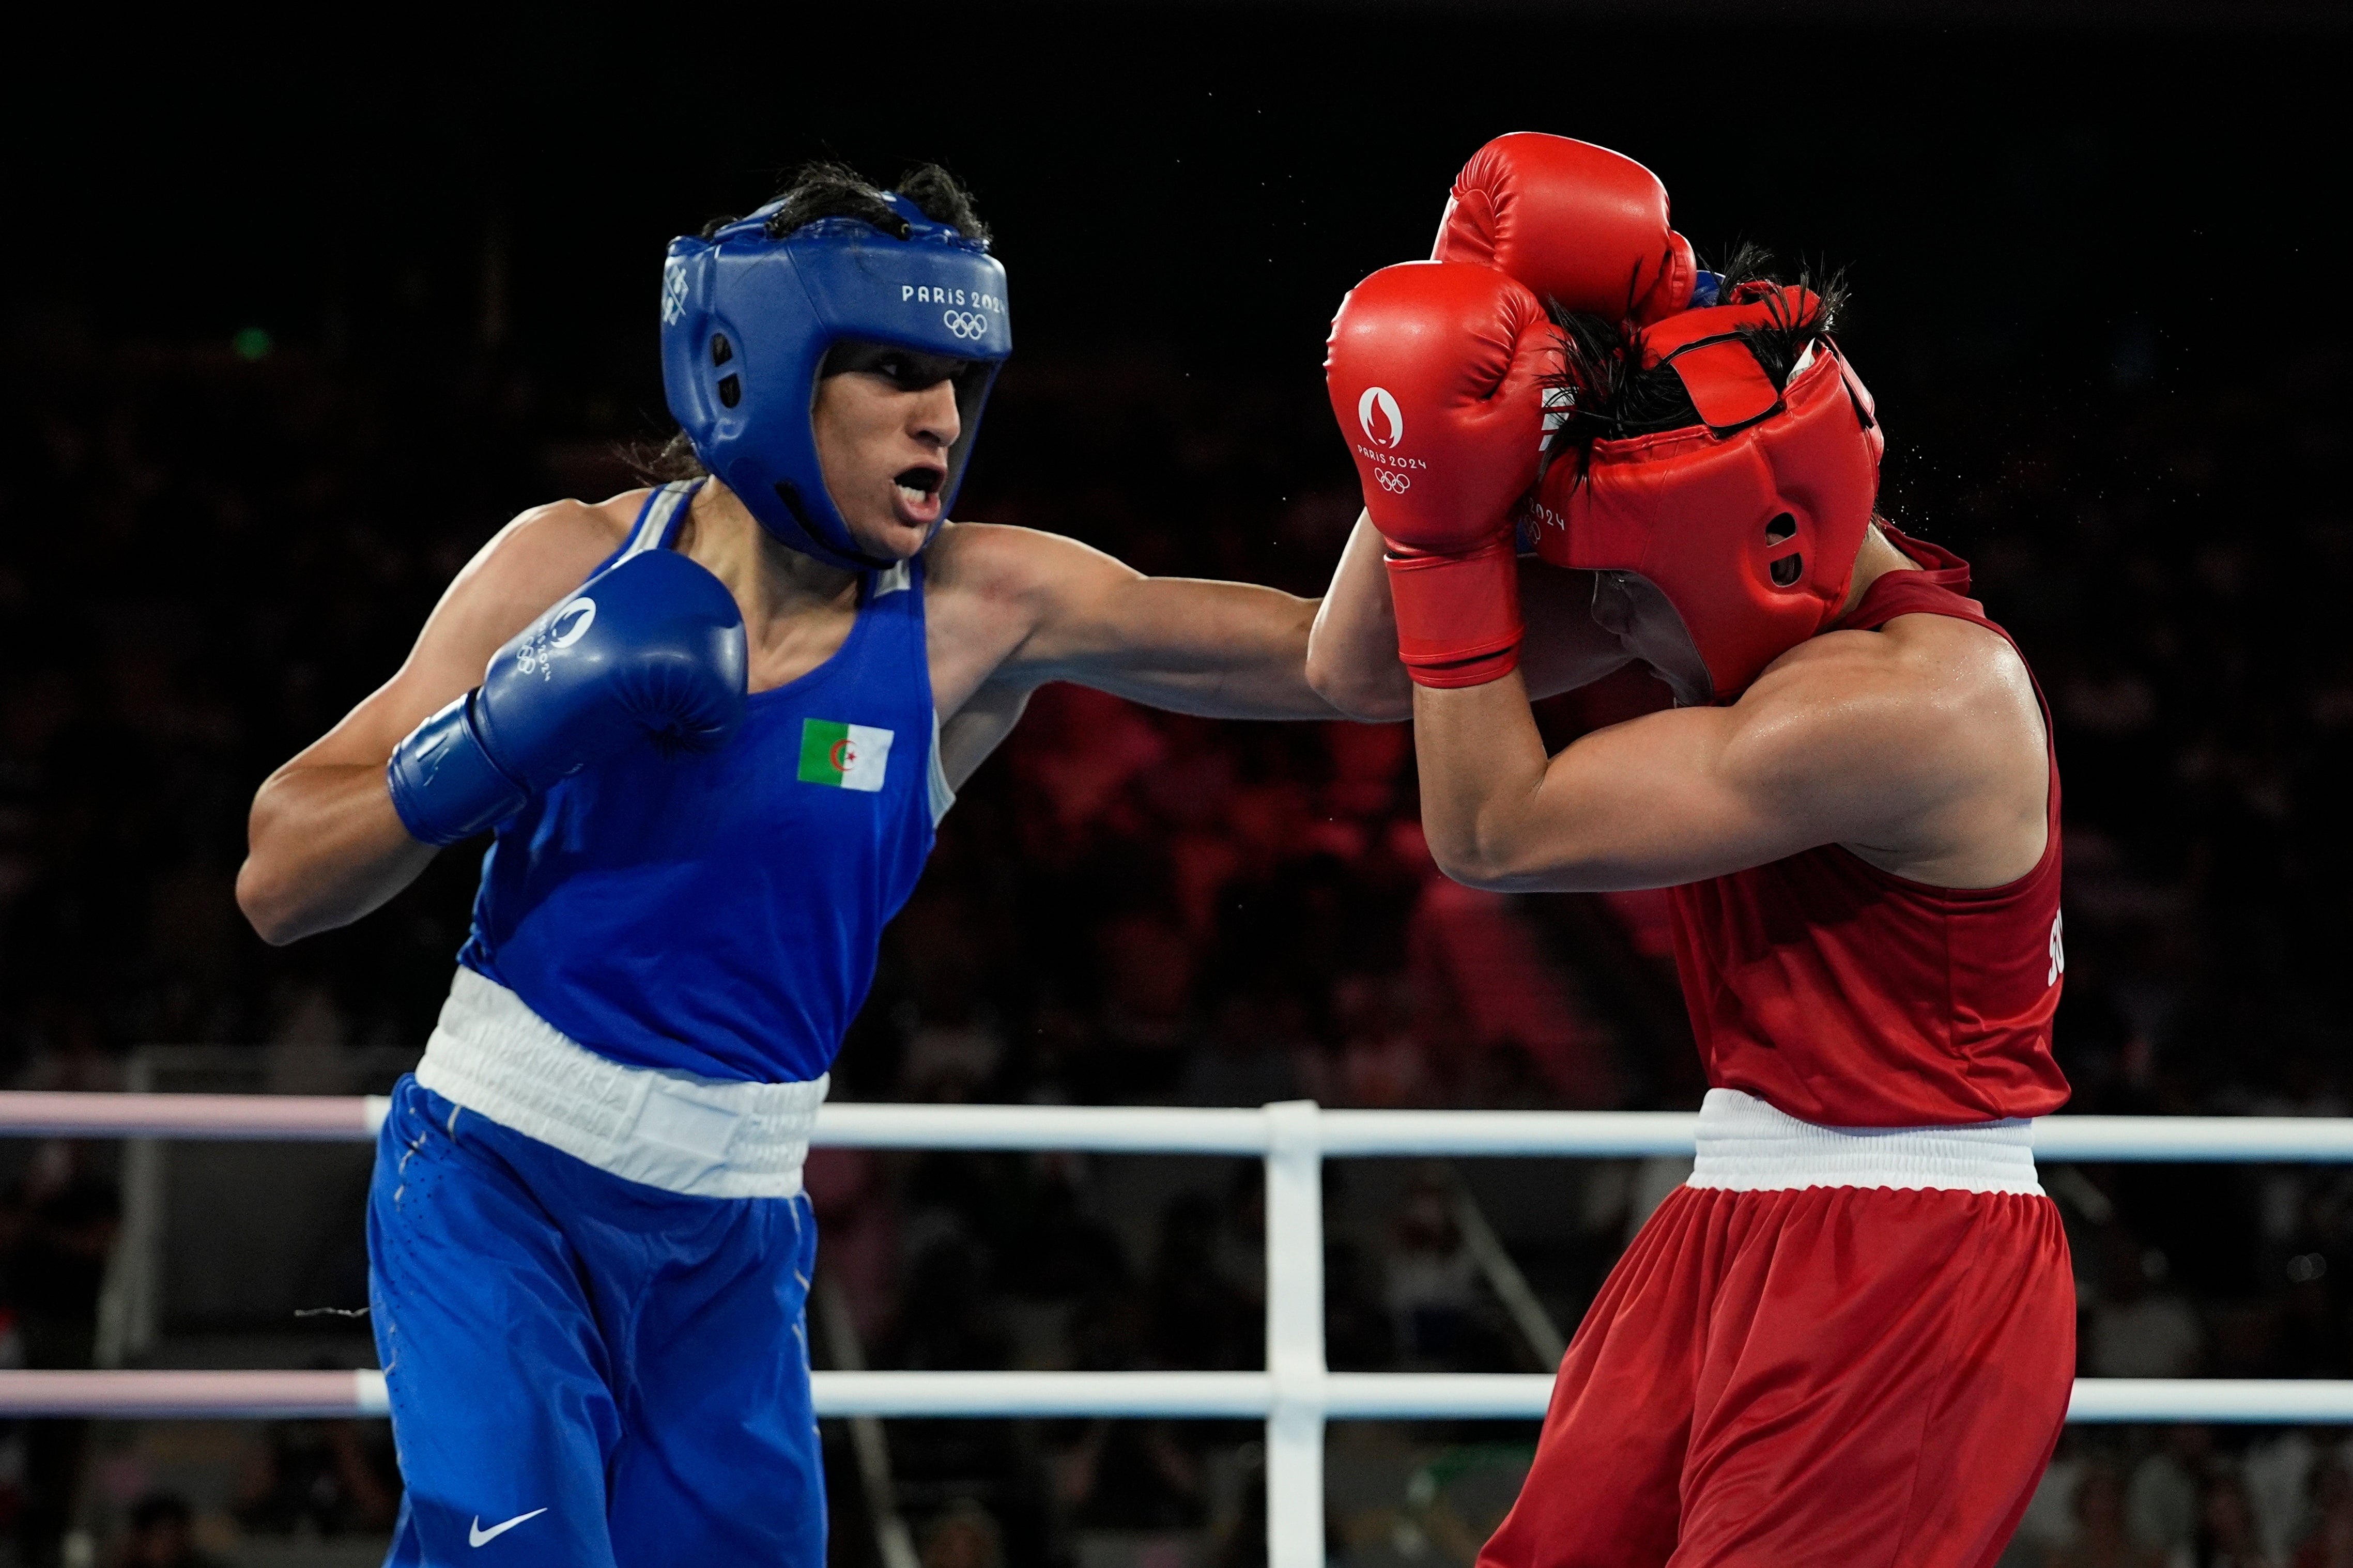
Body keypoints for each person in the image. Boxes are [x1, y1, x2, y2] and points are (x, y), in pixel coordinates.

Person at [235, 161, 1336, 1567]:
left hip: (732, 1233)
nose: (940, 414)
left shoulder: (977, 610)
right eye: (890, 369)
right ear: (755, 365)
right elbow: (276, 877)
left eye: (956, 374)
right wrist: (498, 736)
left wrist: (1448, 490)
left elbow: (1329, 661)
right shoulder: (563, 565)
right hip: (492, 1185)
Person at [1309, 132, 2073, 1566]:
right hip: (1732, 1208)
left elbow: (1489, 828)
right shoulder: (1741, 574)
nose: (1600, 626)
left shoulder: (1911, 702)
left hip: (1903, 1255)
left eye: (1618, 590)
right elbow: (1359, 672)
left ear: (1757, 548)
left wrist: (1440, 543)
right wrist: (1438, 380)